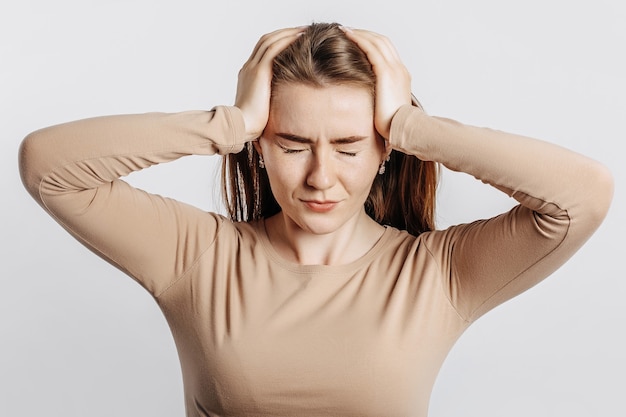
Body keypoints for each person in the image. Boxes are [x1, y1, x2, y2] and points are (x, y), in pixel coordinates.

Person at [18, 22, 613, 417]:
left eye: (350, 146)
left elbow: (582, 196)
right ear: (261, 146)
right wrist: (229, 124)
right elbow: (50, 167)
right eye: (293, 143)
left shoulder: (437, 275)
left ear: (383, 153)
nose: (321, 176)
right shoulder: (198, 256)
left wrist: (410, 127)